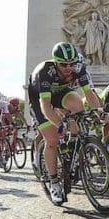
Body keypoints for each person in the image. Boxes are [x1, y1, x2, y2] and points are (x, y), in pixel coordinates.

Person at [28, 42, 103, 205]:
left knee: (78, 105)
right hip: (40, 98)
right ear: (55, 62)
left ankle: (74, 144)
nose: (69, 67)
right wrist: (60, 124)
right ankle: (54, 183)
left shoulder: (79, 68)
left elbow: (89, 93)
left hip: (60, 92)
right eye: (63, 64)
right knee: (52, 139)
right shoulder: (45, 72)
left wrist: (99, 111)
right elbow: (46, 107)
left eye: (72, 63)